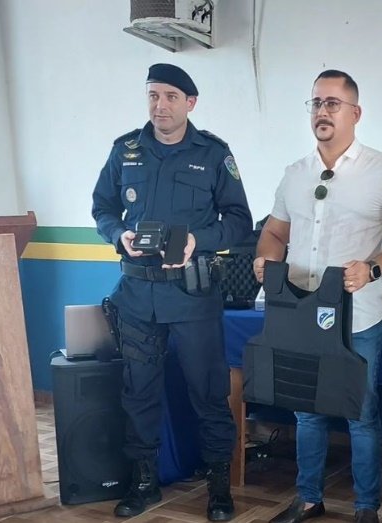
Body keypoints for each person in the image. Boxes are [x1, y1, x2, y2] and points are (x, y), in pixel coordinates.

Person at [255, 70, 382, 523]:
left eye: (332, 103)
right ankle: (308, 498)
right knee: (307, 413)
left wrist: (373, 269)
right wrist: (265, 258)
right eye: (315, 103)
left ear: (355, 113)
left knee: (360, 415)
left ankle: (366, 508)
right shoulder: (295, 174)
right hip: (301, 314)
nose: (322, 111)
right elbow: (274, 232)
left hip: (358, 317)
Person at [92, 63, 252, 520]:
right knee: (138, 392)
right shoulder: (125, 151)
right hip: (137, 297)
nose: (159, 105)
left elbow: (239, 221)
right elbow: (102, 207)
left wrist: (198, 240)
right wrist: (117, 233)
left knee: (209, 392)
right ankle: (144, 483)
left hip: (193, 297)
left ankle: (218, 486)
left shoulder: (214, 154)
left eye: (170, 97)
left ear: (190, 103)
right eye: (153, 95)